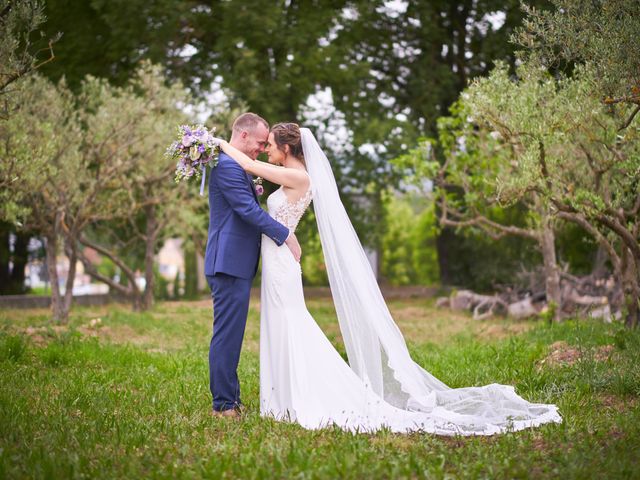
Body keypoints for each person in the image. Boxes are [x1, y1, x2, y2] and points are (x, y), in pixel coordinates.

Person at [213, 122, 562, 434]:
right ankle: (279, 399)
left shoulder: (300, 176)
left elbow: (247, 164)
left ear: (287, 148)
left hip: (282, 263)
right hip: (277, 260)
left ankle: (300, 396)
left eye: (271, 145)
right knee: (279, 323)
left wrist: (211, 141)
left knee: (291, 322)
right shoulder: (293, 175)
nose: (267, 150)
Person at [204, 113, 301, 418]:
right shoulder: (227, 165)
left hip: (236, 262)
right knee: (227, 334)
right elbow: (247, 210)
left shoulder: (235, 164)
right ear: (243, 136)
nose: (261, 148)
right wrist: (285, 235)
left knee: (232, 334)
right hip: (228, 262)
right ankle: (223, 405)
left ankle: (231, 400)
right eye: (260, 142)